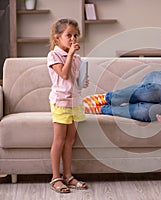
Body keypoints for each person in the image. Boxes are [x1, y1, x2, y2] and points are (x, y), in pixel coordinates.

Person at [47, 18, 88, 193]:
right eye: (68, 35)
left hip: (75, 103)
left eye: (75, 35)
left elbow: (75, 81)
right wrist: (70, 54)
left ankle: (68, 176)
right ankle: (55, 177)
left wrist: (83, 80)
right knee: (59, 141)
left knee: (70, 141)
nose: (73, 39)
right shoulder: (53, 55)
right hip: (61, 103)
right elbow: (63, 75)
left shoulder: (78, 58)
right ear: (57, 38)